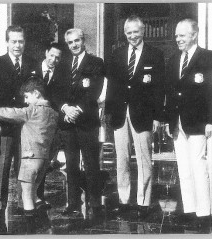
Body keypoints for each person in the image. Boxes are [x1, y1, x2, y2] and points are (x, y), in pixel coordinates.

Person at [0, 76, 58, 234]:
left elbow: (9, 113)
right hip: (43, 160)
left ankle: (31, 231)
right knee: (34, 193)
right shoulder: (53, 113)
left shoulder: (32, 111)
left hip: (29, 158)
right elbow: (56, 141)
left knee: (26, 195)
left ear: (36, 93)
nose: (25, 101)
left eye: (27, 96)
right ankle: (44, 222)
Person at [104, 15, 165, 220]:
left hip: (144, 115)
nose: (132, 36)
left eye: (136, 32)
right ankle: (123, 200)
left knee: (144, 159)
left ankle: (144, 202)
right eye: (128, 32)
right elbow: (112, 86)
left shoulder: (155, 55)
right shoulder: (117, 54)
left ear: (143, 31)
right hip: (120, 114)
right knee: (121, 159)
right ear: (125, 34)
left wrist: (157, 117)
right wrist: (110, 112)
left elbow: (159, 90)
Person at [0, 25, 38, 233]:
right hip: (6, 126)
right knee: (3, 167)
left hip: (26, 127)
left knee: (25, 166)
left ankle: (26, 205)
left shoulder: (33, 64)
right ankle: (0, 209)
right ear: (7, 42)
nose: (18, 45)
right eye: (14, 41)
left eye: (21, 41)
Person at [164, 18, 212, 230]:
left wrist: (211, 120)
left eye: (182, 35)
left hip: (199, 122)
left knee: (198, 166)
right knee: (184, 169)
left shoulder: (208, 58)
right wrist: (169, 120)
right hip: (178, 123)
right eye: (176, 35)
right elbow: (170, 92)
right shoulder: (174, 59)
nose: (178, 39)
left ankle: (204, 214)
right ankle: (190, 210)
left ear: (194, 35)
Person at [59, 28, 105, 223]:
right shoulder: (63, 64)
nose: (74, 45)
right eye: (70, 43)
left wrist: (76, 109)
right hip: (67, 122)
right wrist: (65, 109)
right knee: (70, 164)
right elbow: (55, 90)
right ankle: (73, 203)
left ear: (83, 40)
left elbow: (94, 90)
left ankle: (95, 204)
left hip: (87, 121)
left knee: (91, 163)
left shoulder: (96, 63)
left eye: (77, 41)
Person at [34, 42, 66, 210]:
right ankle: (26, 198)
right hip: (32, 124)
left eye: (57, 58)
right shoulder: (32, 68)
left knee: (44, 162)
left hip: (50, 125)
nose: (54, 60)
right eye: (51, 55)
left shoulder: (61, 75)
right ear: (46, 52)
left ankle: (38, 197)